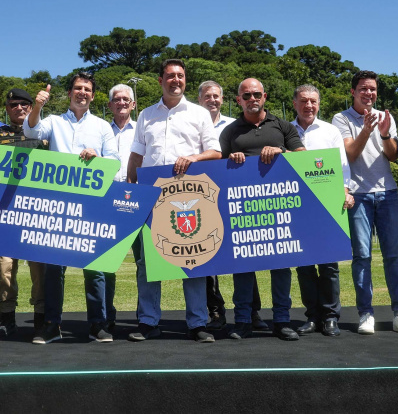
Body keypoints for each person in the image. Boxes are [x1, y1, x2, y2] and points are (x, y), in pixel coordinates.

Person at [126, 59, 222, 343]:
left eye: (180, 76)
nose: (175, 80)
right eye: (170, 76)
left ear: (185, 80)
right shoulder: (145, 114)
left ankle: (197, 323)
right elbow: (136, 156)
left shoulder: (199, 113)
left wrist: (193, 157)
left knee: (193, 260)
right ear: (160, 80)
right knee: (147, 263)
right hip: (152, 196)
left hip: (190, 196)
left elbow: (215, 152)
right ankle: (148, 322)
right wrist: (132, 186)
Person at [24, 73, 119, 344]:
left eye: (87, 89)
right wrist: (38, 106)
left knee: (95, 269)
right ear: (69, 93)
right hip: (59, 205)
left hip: (92, 204)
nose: (82, 93)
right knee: (54, 269)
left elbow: (114, 163)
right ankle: (52, 324)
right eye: (77, 88)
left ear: (92, 95)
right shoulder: (53, 121)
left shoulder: (102, 127)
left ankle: (97, 324)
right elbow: (31, 131)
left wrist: (97, 156)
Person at [219, 78, 304, 341]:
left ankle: (282, 320)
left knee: (281, 266)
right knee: (242, 267)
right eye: (246, 95)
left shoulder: (283, 125)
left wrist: (281, 151)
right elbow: (218, 170)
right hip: (243, 208)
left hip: (278, 206)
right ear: (238, 100)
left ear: (265, 96)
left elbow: (303, 157)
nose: (252, 99)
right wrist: (231, 159)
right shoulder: (230, 132)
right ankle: (243, 321)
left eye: (257, 94)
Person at [332, 70, 398, 335]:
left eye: (373, 89)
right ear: (353, 92)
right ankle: (365, 314)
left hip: (388, 193)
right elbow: (350, 154)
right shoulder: (341, 118)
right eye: (364, 89)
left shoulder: (384, 117)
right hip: (359, 196)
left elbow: (392, 156)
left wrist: (383, 134)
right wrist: (366, 130)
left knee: (393, 257)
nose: (369, 93)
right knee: (363, 257)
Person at [197, 81, 265, 331]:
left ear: (224, 99)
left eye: (216, 96)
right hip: (206, 198)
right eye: (207, 96)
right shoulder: (194, 122)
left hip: (237, 197)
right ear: (199, 99)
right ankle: (215, 311)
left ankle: (251, 311)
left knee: (245, 256)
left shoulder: (234, 125)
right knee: (206, 257)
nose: (212, 100)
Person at [291, 85, 355, 337]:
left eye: (313, 101)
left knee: (328, 266)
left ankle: (330, 317)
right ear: (294, 103)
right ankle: (312, 316)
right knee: (304, 266)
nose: (309, 105)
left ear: (319, 104)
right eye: (304, 101)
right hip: (297, 208)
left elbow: (342, 167)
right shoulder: (285, 130)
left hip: (328, 206)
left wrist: (346, 191)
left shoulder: (330, 131)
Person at [0, 88, 47, 339]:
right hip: (7, 211)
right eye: (14, 105)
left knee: (39, 267)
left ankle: (41, 319)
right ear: (7, 108)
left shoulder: (45, 134)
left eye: (25, 104)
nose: (20, 109)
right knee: (6, 267)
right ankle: (6, 318)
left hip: (37, 210)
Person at [106, 84, 138, 332]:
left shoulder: (142, 129)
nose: (122, 103)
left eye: (126, 99)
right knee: (106, 263)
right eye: (117, 100)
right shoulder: (100, 130)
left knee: (144, 261)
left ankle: (146, 315)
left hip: (137, 197)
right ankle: (106, 315)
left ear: (133, 104)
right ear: (109, 105)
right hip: (106, 198)